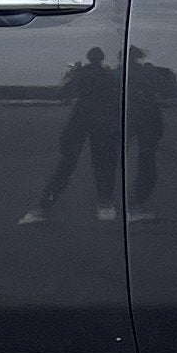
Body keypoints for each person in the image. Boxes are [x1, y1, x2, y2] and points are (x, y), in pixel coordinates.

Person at [24, 46, 121, 223]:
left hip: (81, 120)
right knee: (103, 165)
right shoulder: (108, 75)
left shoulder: (82, 74)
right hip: (102, 121)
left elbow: (64, 94)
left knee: (67, 165)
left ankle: (44, 206)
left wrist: (71, 75)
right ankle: (105, 204)